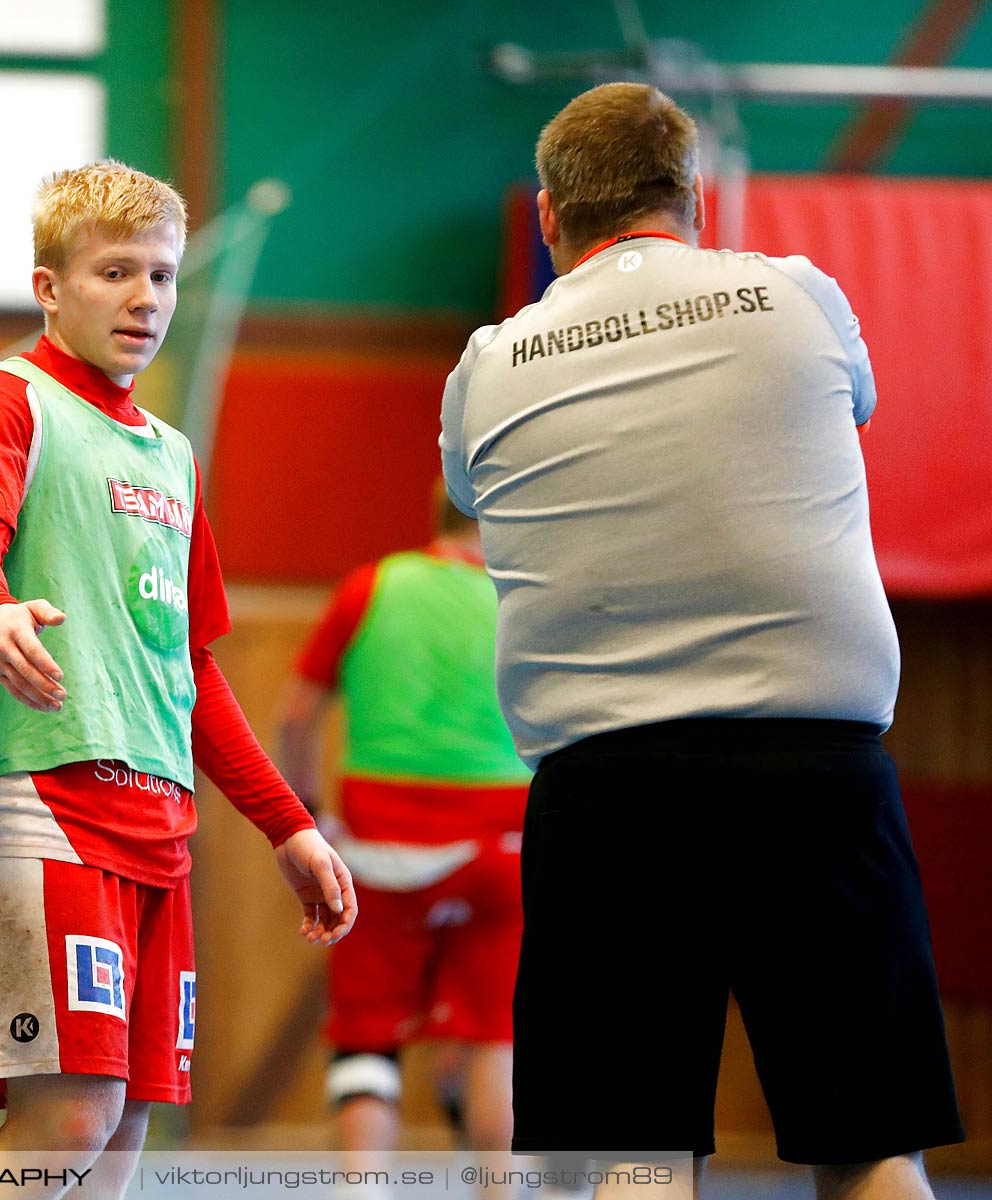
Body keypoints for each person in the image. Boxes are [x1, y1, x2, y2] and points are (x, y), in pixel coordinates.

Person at [438, 82, 963, 1198]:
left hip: (611, 791)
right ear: (692, 196)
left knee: (635, 1156)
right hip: (817, 771)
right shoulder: (798, 296)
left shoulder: (488, 365)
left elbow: (466, 491)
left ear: (547, 216)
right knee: (873, 1150)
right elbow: (852, 406)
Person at [0, 159, 357, 1200]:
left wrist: (288, 825)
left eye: (160, 276)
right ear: (50, 287)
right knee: (69, 1117)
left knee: (121, 1140)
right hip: (39, 794)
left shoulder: (172, 453)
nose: (145, 299)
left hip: (160, 823)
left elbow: (189, 662)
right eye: (115, 272)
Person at [278, 484, 530, 1199]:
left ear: (437, 512)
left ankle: (364, 1191)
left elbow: (297, 715)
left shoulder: (372, 587)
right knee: (494, 1036)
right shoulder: (526, 598)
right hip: (505, 842)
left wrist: (309, 812)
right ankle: (501, 1191)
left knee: (368, 1030)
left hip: (384, 845)